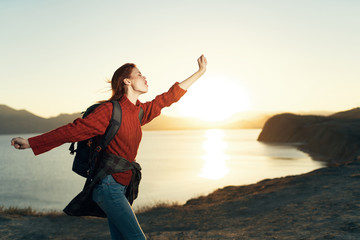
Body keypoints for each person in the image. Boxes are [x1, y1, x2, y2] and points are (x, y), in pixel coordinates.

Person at [11, 55, 207, 240]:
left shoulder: (139, 112)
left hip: (122, 188)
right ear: (127, 81)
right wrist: (31, 143)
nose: (144, 76)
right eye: (139, 74)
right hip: (107, 187)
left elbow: (168, 98)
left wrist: (199, 72)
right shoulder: (109, 111)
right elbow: (73, 131)